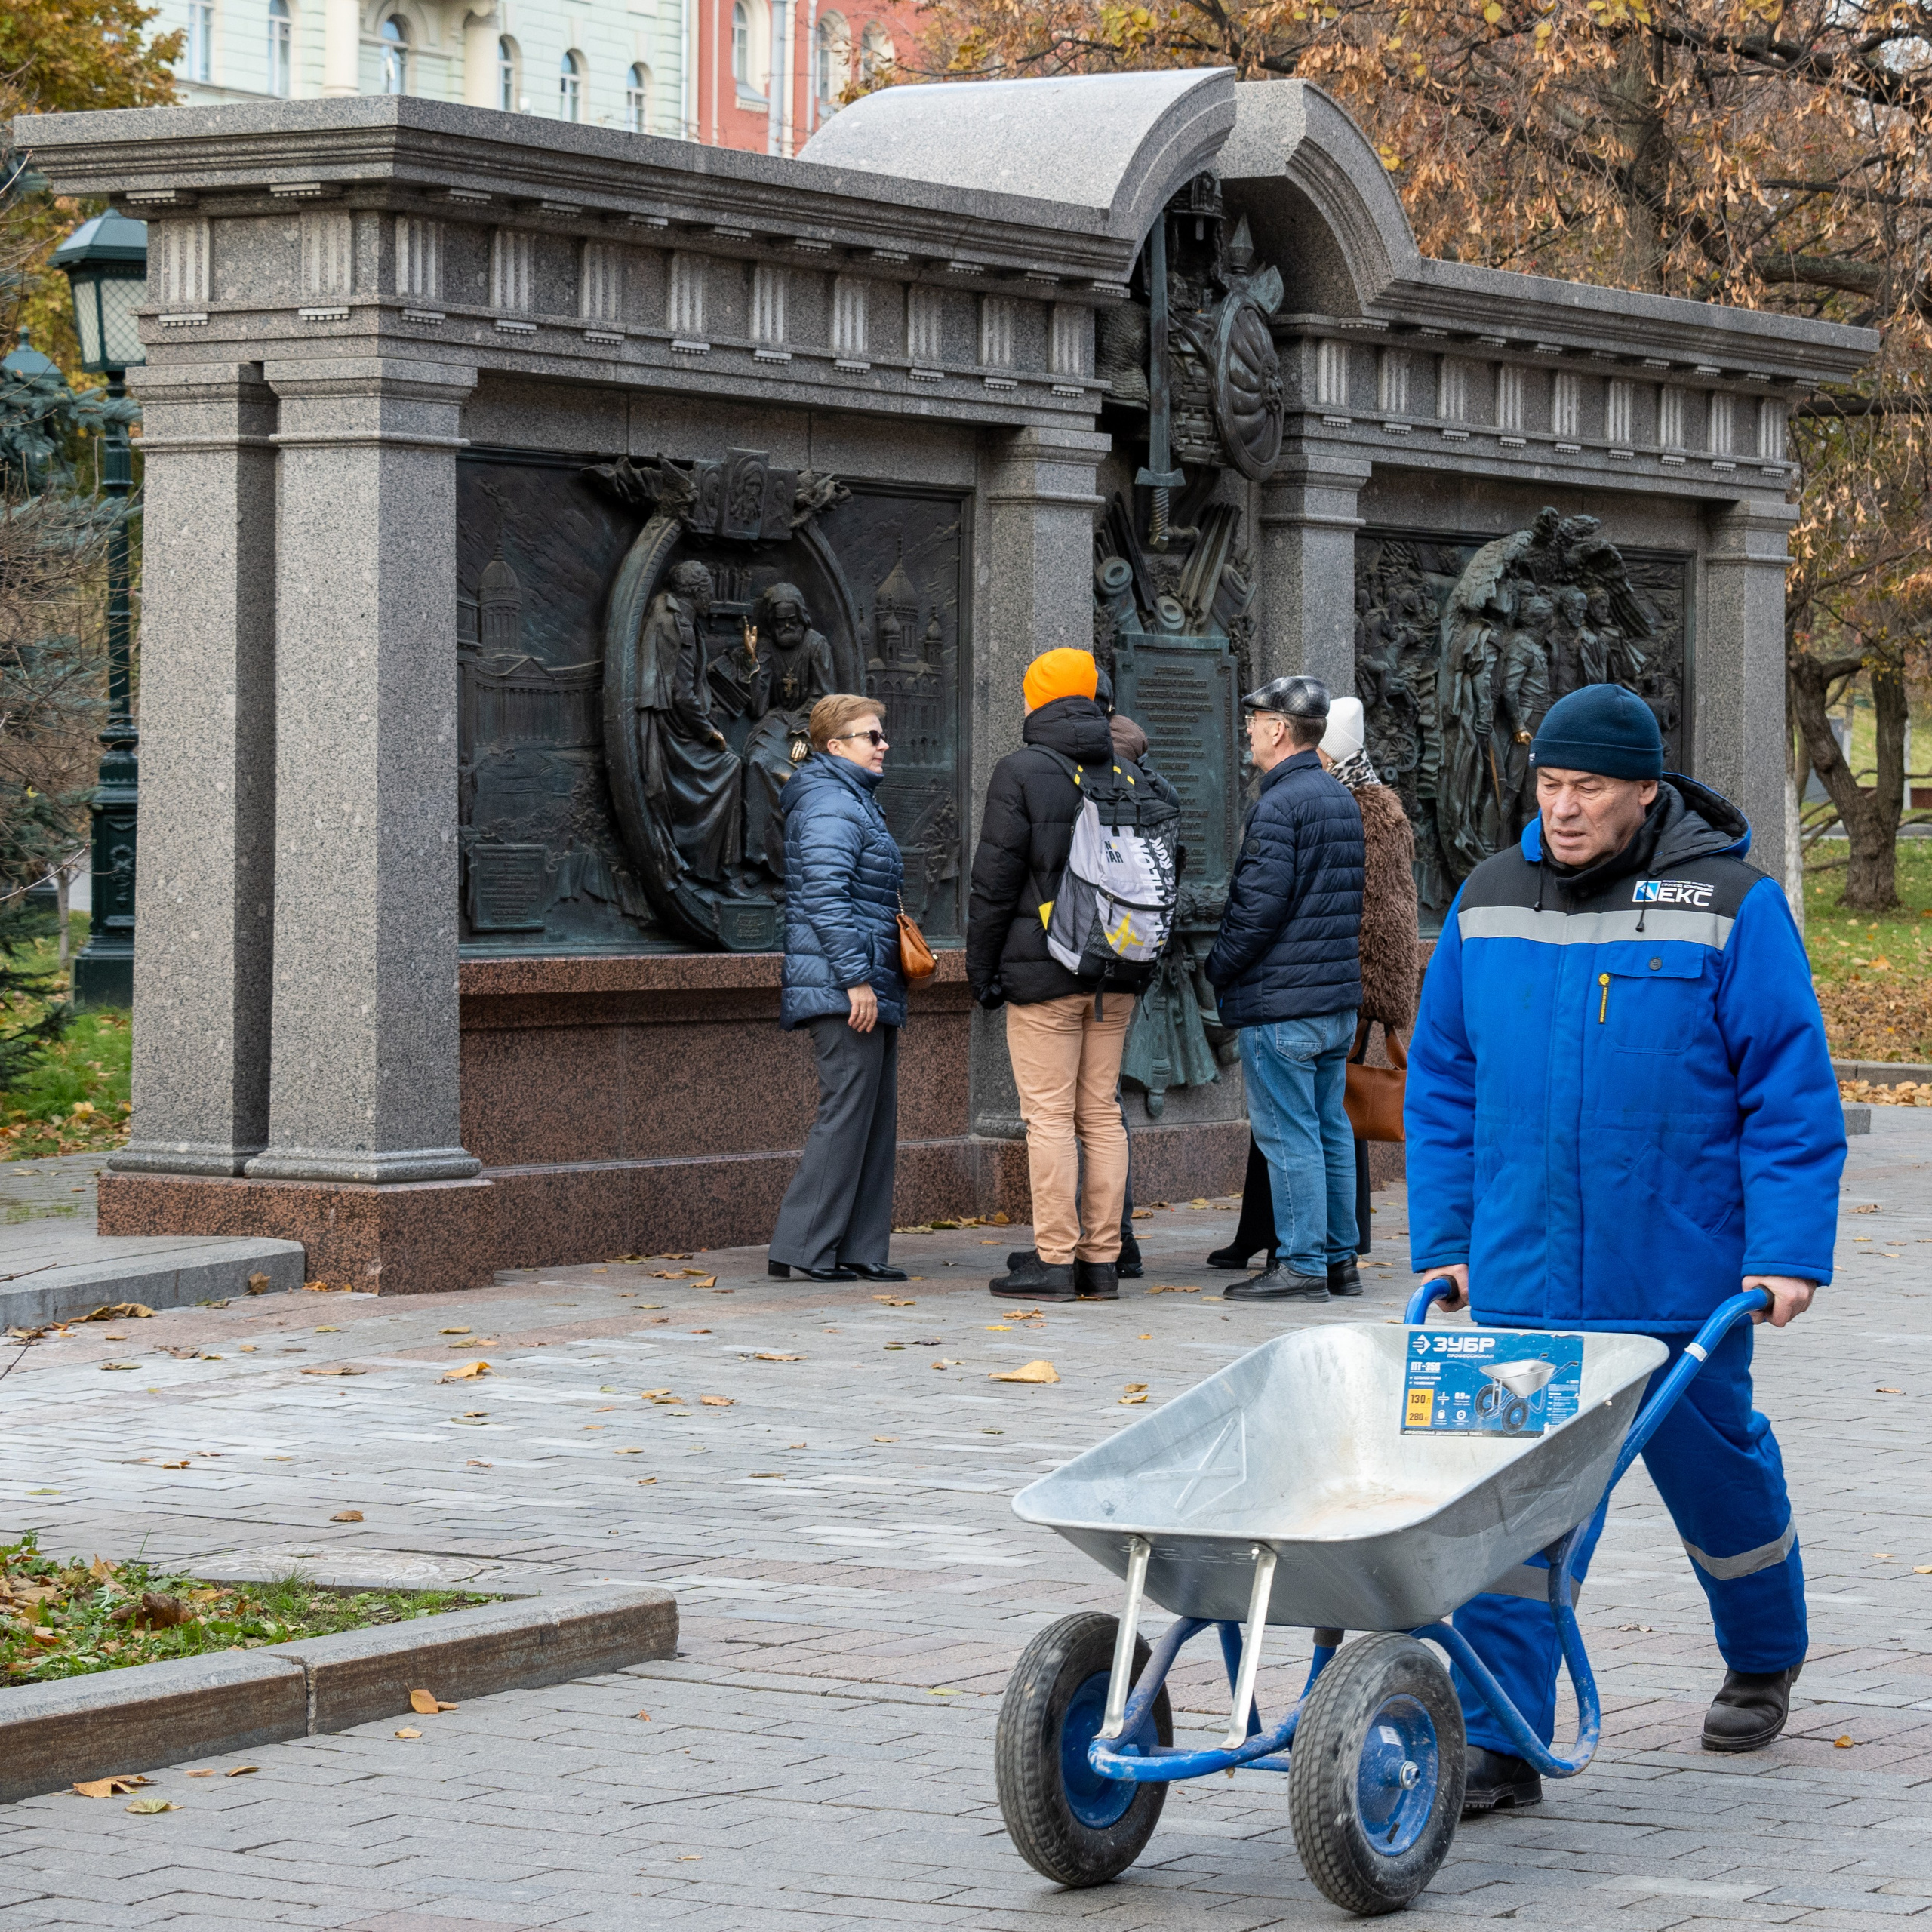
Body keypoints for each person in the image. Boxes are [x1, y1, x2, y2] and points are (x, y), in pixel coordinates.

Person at [1406, 682, 1844, 1811]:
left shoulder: (1731, 907)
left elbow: (1789, 1093)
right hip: (1520, 1281)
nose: (1562, 809)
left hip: (1679, 1278)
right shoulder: (1488, 901)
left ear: (1646, 792)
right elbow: (1444, 1079)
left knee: (1722, 1481)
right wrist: (1447, 1239)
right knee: (1509, 1507)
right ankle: (1504, 1736)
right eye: (1550, 785)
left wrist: (1787, 1252)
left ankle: (1763, 1652)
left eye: (1587, 789)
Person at [1208, 697, 1417, 1292]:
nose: (1247, 731)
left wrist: (1218, 965)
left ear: (1279, 729)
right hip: (1332, 1000)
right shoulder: (1338, 798)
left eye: (1253, 721)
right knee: (1328, 1127)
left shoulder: (1280, 803)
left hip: (1284, 1001)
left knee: (1289, 1132)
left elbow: (1257, 910)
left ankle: (1300, 1263)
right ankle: (1338, 1261)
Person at [968, 648, 1150, 1303]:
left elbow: (994, 882)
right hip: (1116, 971)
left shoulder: (1021, 770)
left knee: (1048, 1117)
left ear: (1036, 700)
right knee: (1099, 1113)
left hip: (1042, 971)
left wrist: (981, 970)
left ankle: (1052, 1258)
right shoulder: (1126, 770)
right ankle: (1100, 1261)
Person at [767, 693, 910, 1286]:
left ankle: (856, 1248)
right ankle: (804, 1247)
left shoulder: (851, 799)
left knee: (872, 1119)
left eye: (880, 735)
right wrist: (856, 980)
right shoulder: (830, 801)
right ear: (835, 746)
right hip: (843, 985)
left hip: (867, 981)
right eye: (870, 736)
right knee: (846, 1112)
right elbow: (824, 900)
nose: (883, 745)